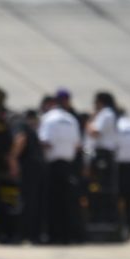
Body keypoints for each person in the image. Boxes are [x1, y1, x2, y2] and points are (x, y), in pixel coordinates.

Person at [38, 95, 83, 244]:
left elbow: (44, 141)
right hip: (68, 166)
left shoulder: (48, 118)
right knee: (68, 202)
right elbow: (77, 145)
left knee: (52, 203)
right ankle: (68, 235)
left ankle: (53, 235)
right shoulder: (71, 119)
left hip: (52, 165)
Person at [6, 110, 46, 244]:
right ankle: (35, 235)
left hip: (29, 166)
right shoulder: (28, 125)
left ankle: (22, 235)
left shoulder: (16, 123)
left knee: (26, 201)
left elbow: (20, 139)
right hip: (39, 165)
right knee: (36, 202)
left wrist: (12, 158)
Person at [117, 110, 130, 236]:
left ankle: (121, 225)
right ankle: (129, 225)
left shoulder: (117, 125)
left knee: (119, 197)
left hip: (119, 166)